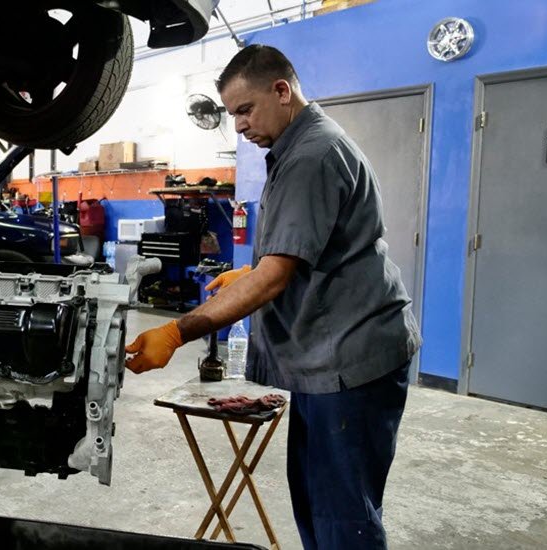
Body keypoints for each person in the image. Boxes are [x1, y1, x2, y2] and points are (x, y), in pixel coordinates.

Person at [124, 44, 421, 549]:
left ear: (282, 91)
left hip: (350, 360)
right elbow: (309, 248)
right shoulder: (297, 147)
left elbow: (276, 278)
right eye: (232, 114)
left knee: (342, 515)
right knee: (313, 496)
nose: (237, 126)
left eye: (244, 110)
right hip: (326, 358)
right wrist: (249, 272)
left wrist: (178, 331)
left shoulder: (312, 155)